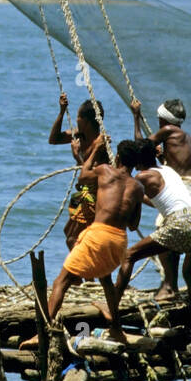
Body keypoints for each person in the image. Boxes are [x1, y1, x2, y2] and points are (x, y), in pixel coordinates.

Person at [47, 138, 145, 334]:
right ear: (135, 163)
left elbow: (83, 178)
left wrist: (95, 150)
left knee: (62, 281)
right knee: (105, 278)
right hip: (118, 240)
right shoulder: (138, 187)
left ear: (117, 157)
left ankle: (43, 330)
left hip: (99, 234)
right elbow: (133, 225)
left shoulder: (105, 170)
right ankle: (116, 328)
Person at [114, 139, 191, 335]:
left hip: (179, 223)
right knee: (189, 274)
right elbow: (157, 200)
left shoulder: (141, 178)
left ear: (138, 162)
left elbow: (133, 224)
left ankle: (111, 306)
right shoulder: (168, 170)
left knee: (129, 255)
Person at [49, 94, 108, 246]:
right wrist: (62, 112)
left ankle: (82, 267)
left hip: (93, 196)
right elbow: (53, 139)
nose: (76, 120)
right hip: (81, 192)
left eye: (78, 117)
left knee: (73, 239)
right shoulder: (79, 136)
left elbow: (92, 176)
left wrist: (77, 157)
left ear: (86, 121)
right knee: (67, 232)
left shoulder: (100, 145)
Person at [130, 96, 191, 212]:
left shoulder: (169, 130)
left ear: (163, 119)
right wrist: (162, 158)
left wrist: (136, 116)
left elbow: (139, 146)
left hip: (186, 186)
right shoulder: (184, 136)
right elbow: (178, 166)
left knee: (173, 219)